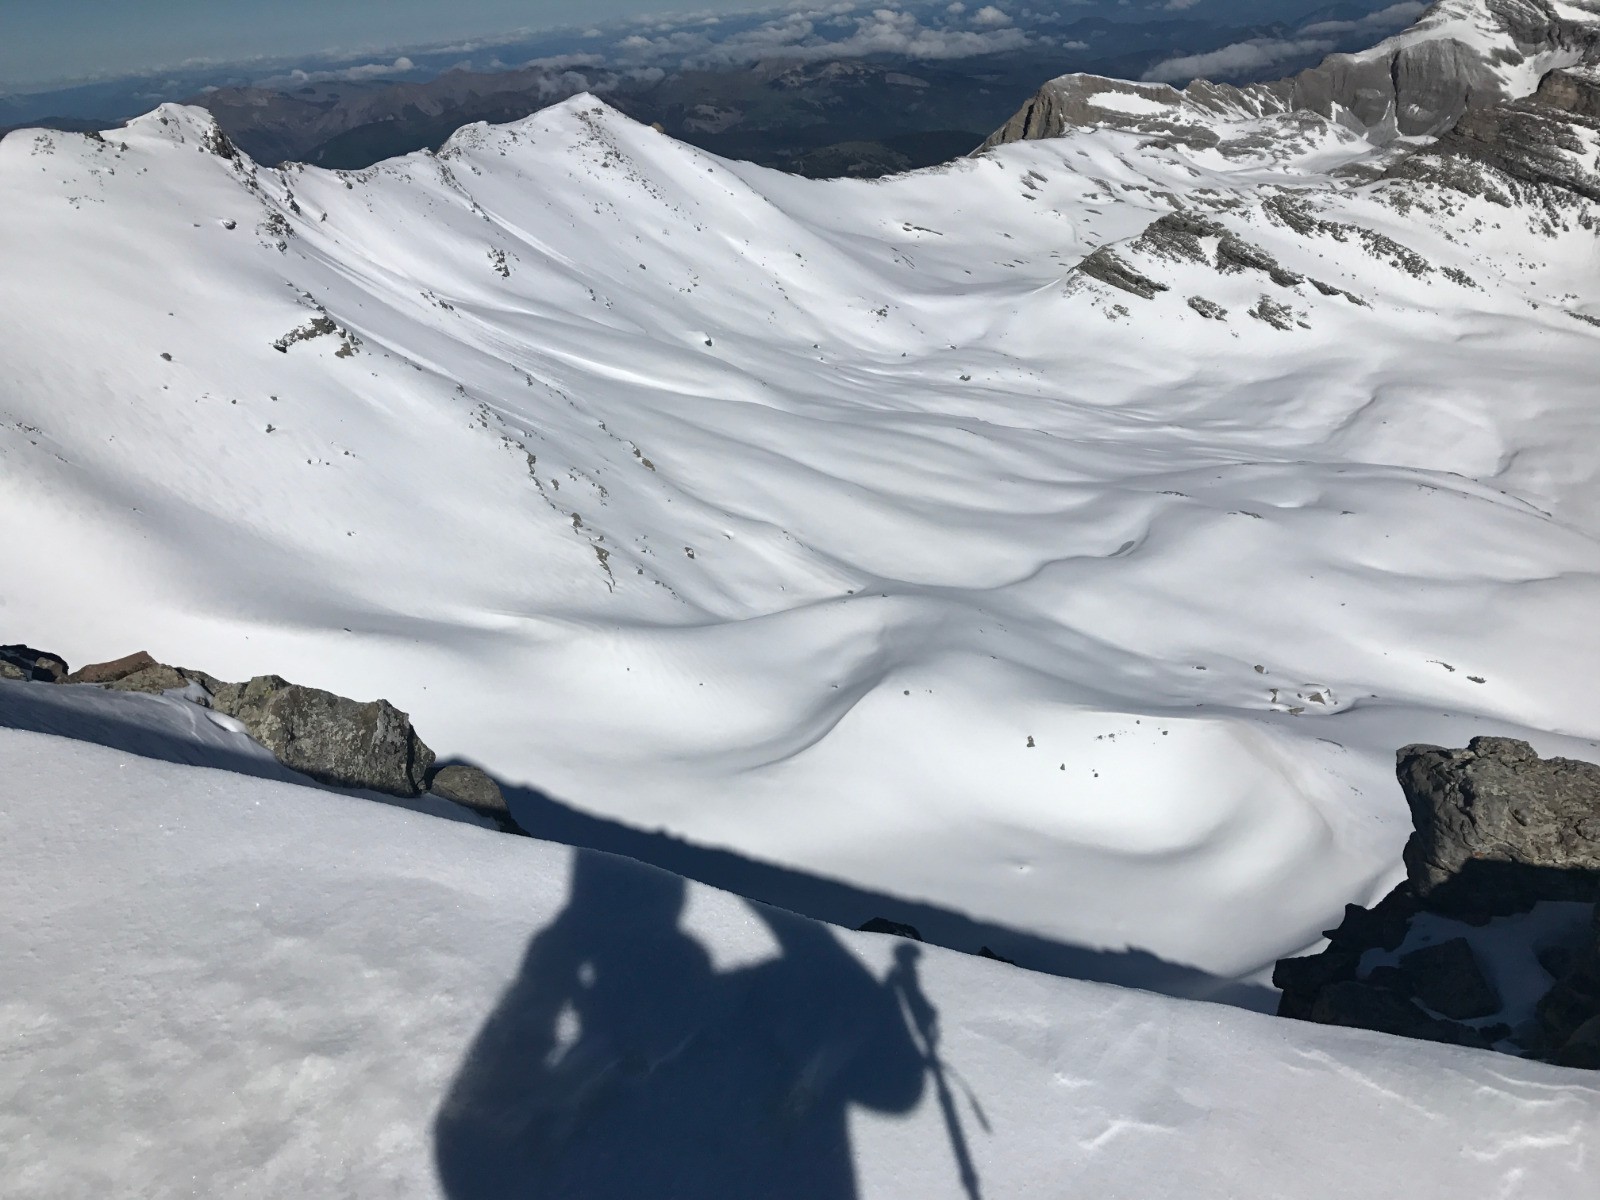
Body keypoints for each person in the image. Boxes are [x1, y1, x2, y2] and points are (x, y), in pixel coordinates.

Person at [434, 851, 936, 1199]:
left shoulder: (590, 1092)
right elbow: (894, 1083)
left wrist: (544, 977)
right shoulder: (748, 1051)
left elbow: (473, 1141)